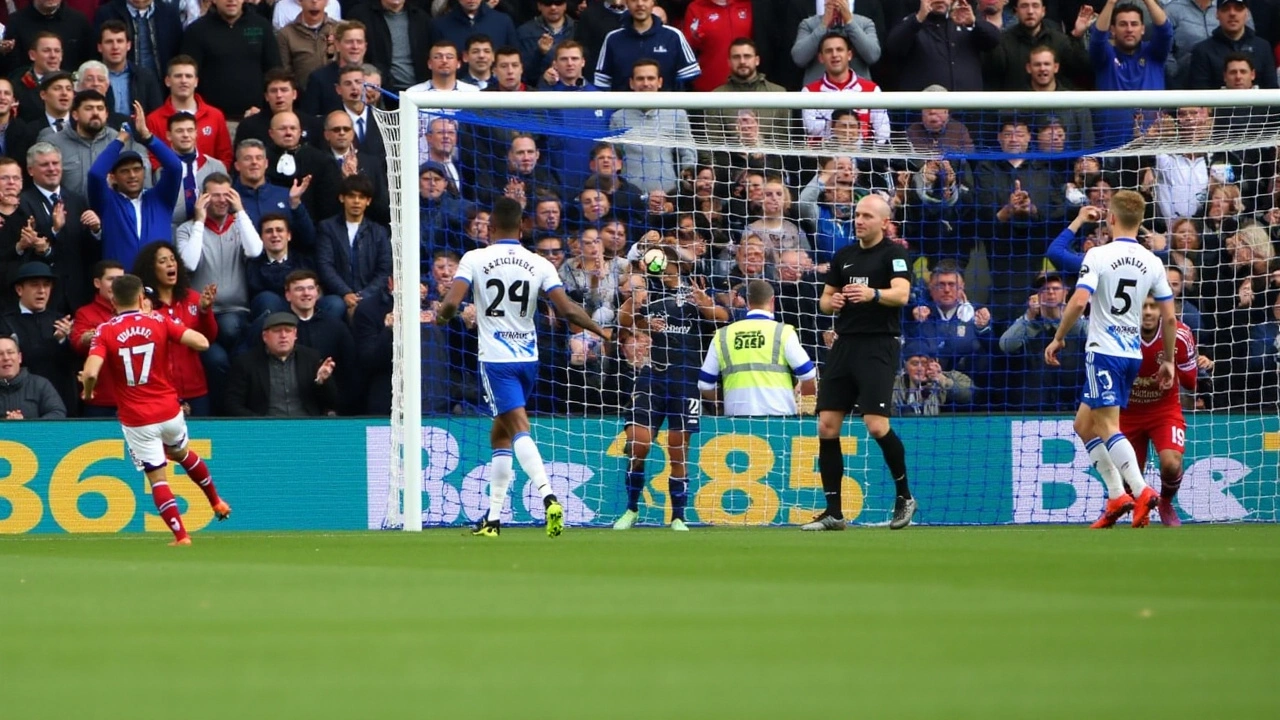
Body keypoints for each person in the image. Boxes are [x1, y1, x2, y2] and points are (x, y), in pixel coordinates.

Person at [434, 197, 611, 538]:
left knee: (517, 427)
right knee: (499, 433)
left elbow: (452, 303)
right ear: (522, 227)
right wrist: (603, 331)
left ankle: (549, 497)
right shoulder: (539, 263)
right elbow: (569, 311)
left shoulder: (474, 258)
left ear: (490, 228)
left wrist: (443, 315)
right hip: (529, 358)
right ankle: (494, 519)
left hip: (496, 360)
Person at [1045, 189, 1178, 529]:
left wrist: (1059, 337)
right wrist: (1167, 360)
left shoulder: (1099, 255)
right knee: (1083, 425)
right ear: (1141, 220)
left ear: (1111, 218)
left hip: (1103, 351)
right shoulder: (1153, 261)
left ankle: (1140, 489)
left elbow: (1077, 302)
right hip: (1132, 354)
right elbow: (1170, 318)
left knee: (1106, 426)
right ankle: (1117, 495)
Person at [79, 273, 230, 546]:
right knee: (181, 453)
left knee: (157, 477)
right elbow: (202, 342)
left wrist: (89, 391)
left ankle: (181, 536)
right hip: (170, 411)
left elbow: (90, 372)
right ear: (141, 297)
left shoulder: (104, 330)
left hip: (137, 418)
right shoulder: (159, 321)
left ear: (113, 299)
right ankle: (216, 501)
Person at [804, 194, 915, 531]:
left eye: (867, 215)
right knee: (826, 425)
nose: (859, 220)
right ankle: (834, 512)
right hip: (844, 343)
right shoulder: (845, 255)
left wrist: (873, 295)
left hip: (878, 345)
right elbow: (825, 301)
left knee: (876, 425)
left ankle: (904, 497)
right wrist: (833, 300)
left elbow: (903, 294)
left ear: (884, 222)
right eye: (857, 215)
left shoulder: (894, 255)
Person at [614, 245, 729, 531]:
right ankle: (631, 509)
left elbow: (722, 316)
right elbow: (624, 321)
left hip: (685, 380)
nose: (662, 272)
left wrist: (704, 302)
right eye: (657, 266)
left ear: (676, 265)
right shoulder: (648, 293)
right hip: (653, 376)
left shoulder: (693, 291)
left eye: (666, 266)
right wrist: (635, 305)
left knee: (678, 451)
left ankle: (678, 516)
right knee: (639, 444)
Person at [1122, 296, 1209, 526]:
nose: (1148, 312)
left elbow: (1191, 383)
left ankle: (1166, 503)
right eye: (1143, 306)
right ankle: (1138, 511)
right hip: (1126, 412)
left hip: (1164, 410)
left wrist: (1177, 370)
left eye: (1153, 306)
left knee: (1171, 463)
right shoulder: (1119, 334)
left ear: (1163, 310)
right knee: (1128, 476)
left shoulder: (1180, 334)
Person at [698, 279, 817, 416]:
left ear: (747, 302)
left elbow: (704, 384)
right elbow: (808, 374)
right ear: (773, 301)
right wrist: (804, 399)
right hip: (779, 417)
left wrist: (722, 401)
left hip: (736, 418)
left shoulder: (723, 335)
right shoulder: (783, 332)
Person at [0, 335, 67, 419]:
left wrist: (28, 426)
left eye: (10, 352)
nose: (6, 358)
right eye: (0, 354)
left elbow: (58, 413)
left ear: (19, 357)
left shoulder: (40, 384)